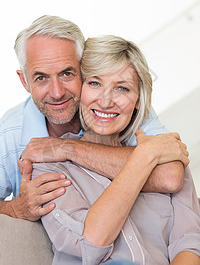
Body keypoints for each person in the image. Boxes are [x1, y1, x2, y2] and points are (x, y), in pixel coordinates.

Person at [32, 35, 200, 264]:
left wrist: (149, 153)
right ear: (80, 90)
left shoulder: (168, 155)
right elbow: (91, 242)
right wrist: (144, 156)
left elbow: (189, 243)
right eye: (94, 83)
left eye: (122, 88)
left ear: (139, 99)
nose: (106, 101)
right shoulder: (49, 164)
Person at [0, 15, 186, 221]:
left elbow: (169, 175)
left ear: (83, 69)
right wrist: (15, 208)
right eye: (41, 78)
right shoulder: (10, 131)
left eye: (67, 73)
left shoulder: (118, 106)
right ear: (24, 81)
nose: (57, 92)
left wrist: (67, 148)